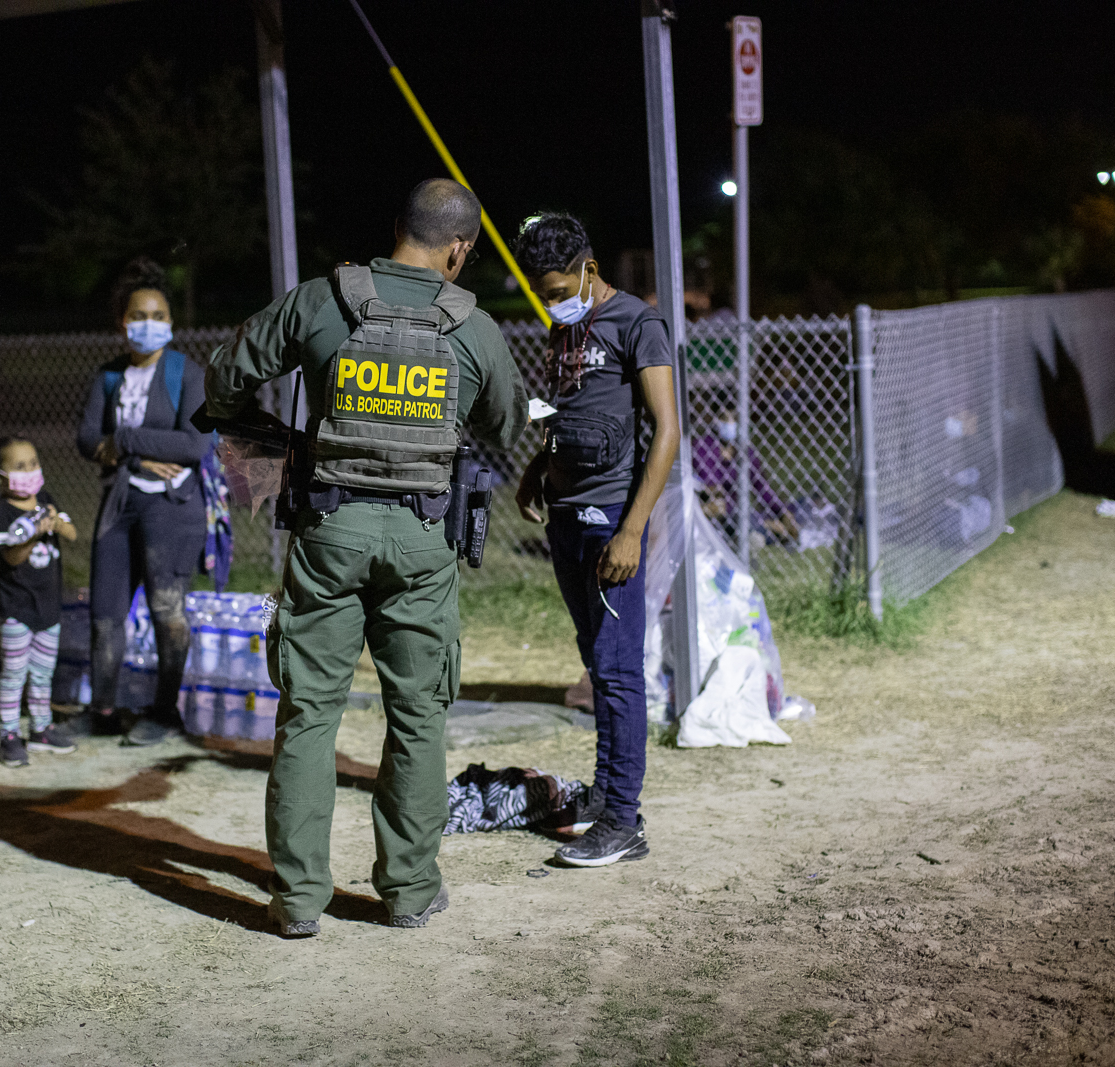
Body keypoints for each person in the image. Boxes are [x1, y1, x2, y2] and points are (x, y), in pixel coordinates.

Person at [202, 178, 528, 935]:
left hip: (328, 531)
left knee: (310, 714)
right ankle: (410, 891)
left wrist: (273, 443)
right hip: (422, 541)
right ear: (459, 249)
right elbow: (506, 425)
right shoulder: (471, 327)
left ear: (396, 227)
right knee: (418, 715)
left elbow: (224, 377)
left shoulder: (322, 300)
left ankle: (297, 901)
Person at [512, 212, 680, 868]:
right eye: (543, 293)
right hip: (564, 515)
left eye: (559, 289)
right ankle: (604, 792)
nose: (553, 302)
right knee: (597, 663)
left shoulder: (639, 324)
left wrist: (633, 529)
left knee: (616, 670)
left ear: (590, 265)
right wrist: (533, 469)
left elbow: (667, 431)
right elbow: (561, 406)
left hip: (613, 519)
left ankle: (623, 819)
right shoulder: (567, 328)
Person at [73, 259, 208, 746]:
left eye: (158, 316)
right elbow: (87, 439)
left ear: (171, 324)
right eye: (137, 315)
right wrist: (143, 456)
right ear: (121, 322)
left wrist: (125, 441)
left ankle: (165, 710)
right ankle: (102, 710)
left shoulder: (187, 374)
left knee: (166, 611)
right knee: (105, 612)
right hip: (119, 504)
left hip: (171, 508)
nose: (147, 324)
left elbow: (195, 445)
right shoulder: (109, 375)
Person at [0, 436, 80, 767]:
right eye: (19, 467)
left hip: (48, 609)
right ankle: (8, 734)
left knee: (42, 673)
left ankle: (40, 729)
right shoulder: (0, 513)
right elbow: (12, 558)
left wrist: (56, 521)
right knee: (13, 674)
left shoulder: (46, 499)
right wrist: (34, 532)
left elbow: (72, 534)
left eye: (33, 463)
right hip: (15, 611)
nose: (30, 471)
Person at [690, 402, 799, 545]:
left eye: (734, 418)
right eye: (724, 418)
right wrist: (763, 522)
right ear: (714, 419)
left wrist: (783, 512)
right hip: (717, 509)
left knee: (790, 511)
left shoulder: (743, 450)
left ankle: (764, 530)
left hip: (740, 512)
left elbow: (761, 486)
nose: (730, 423)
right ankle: (763, 530)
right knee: (720, 507)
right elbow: (714, 489)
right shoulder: (702, 447)